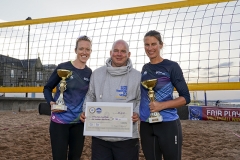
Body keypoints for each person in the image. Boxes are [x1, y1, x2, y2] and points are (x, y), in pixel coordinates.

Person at [80, 39, 141, 160]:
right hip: (100, 138)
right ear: (110, 52)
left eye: (123, 51)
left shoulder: (137, 76)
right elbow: (90, 95)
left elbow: (141, 99)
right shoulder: (97, 74)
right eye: (116, 51)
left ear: (129, 55)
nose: (119, 54)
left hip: (127, 138)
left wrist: (137, 112)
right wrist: (86, 110)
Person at [139, 30, 191, 160]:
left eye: (153, 44)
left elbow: (186, 97)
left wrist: (161, 105)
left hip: (167, 124)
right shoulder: (145, 68)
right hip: (146, 124)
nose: (150, 48)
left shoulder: (171, 66)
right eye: (147, 45)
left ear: (161, 45)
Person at [43, 35, 92, 160]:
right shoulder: (63, 67)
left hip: (78, 122)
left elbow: (91, 96)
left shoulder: (90, 73)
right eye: (81, 49)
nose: (84, 52)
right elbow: (47, 88)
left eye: (87, 49)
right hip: (59, 121)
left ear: (90, 52)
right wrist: (52, 103)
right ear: (76, 50)